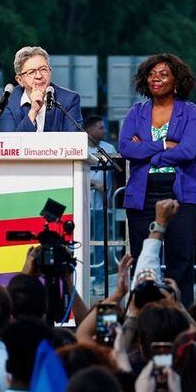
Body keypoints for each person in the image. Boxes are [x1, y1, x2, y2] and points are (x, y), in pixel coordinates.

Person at [118, 53, 196, 306]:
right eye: (152, 74)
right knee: (144, 259)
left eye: (163, 74)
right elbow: (125, 148)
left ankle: (181, 316)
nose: (156, 79)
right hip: (142, 194)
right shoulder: (137, 111)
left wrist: (149, 154)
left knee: (181, 260)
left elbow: (188, 150)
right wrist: (165, 144)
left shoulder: (189, 111)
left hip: (181, 193)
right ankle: (143, 316)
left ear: (176, 81)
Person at [0, 46, 81, 132]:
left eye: (43, 69)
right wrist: (33, 112)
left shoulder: (69, 100)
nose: (39, 76)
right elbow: (11, 143)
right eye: (32, 72)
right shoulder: (7, 103)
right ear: (20, 80)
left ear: (50, 71)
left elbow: (73, 141)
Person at [84, 115, 116, 286]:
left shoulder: (109, 149)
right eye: (100, 128)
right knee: (81, 241)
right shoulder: (79, 147)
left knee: (99, 243)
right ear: (89, 130)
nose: (104, 131)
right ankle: (81, 275)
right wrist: (93, 182)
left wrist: (111, 196)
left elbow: (115, 177)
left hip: (100, 205)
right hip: (82, 205)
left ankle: (99, 278)